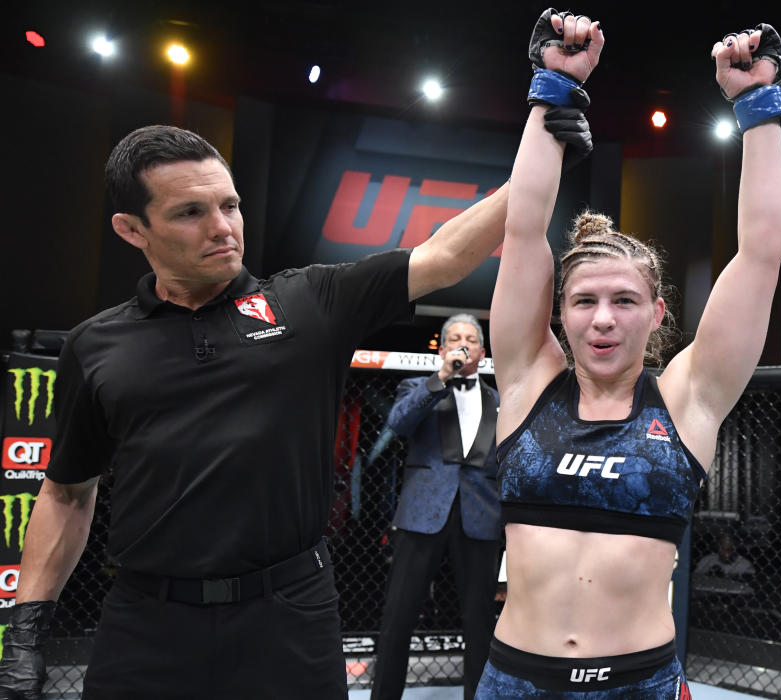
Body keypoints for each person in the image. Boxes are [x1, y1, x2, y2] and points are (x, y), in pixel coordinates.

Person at [0, 107, 593, 698]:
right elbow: (66, 492)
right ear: (133, 229)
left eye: (229, 205)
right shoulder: (96, 344)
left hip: (290, 614)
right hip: (147, 622)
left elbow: (444, 256)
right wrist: (25, 632)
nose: (222, 227)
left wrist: (543, 156)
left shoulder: (309, 303)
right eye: (190, 213)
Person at [475, 9, 781, 698]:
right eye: (583, 301)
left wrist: (758, 103)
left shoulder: (688, 399)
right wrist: (552, 85)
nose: (603, 319)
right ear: (559, 314)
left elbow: (762, 254)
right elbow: (525, 231)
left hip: (637, 684)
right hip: (515, 681)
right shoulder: (530, 382)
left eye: (624, 301)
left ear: (657, 315)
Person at [371, 314, 501, 700]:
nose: (463, 344)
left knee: (479, 620)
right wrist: (440, 378)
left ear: (482, 350)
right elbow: (399, 422)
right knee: (398, 616)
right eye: (455, 338)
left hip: (481, 515)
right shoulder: (418, 387)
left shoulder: (498, 399)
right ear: (443, 348)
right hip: (423, 512)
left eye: (471, 338)